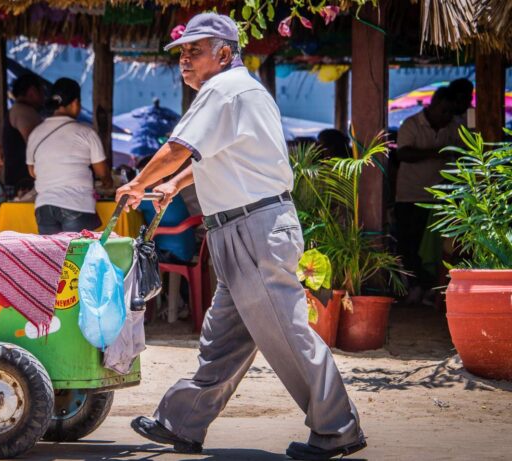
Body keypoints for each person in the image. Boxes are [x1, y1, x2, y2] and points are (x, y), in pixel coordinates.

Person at [116, 13, 365, 460]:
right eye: (182, 53)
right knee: (224, 339)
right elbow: (220, 154)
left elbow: (178, 148)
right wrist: (175, 184)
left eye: (195, 51)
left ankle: (337, 429)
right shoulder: (240, 91)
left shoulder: (223, 90)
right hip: (244, 229)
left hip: (254, 228)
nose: (184, 61)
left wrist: (138, 184)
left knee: (288, 334)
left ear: (225, 53)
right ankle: (182, 422)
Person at [394, 86, 462, 305]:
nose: (446, 116)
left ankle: (432, 288)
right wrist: (436, 151)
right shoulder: (412, 124)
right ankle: (416, 287)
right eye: (444, 111)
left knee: (437, 249)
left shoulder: (453, 127)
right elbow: (402, 153)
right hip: (411, 195)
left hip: (441, 199)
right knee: (409, 245)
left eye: (450, 112)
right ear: (434, 104)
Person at [26, 78, 112, 235]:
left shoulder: (35, 133)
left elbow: (32, 172)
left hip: (44, 207)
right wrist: (108, 183)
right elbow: (102, 172)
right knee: (78, 258)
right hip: (76, 204)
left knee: (51, 258)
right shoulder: (86, 132)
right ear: (75, 103)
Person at [3, 74, 45, 190]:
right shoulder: (23, 111)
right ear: (32, 91)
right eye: (42, 92)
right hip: (24, 182)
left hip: (20, 179)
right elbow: (35, 143)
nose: (43, 97)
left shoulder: (19, 110)